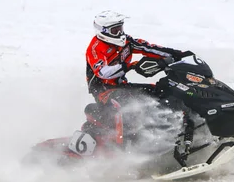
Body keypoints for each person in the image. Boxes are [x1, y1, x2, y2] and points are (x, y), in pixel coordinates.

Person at [80, 11, 193, 149]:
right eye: (115, 30)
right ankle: (126, 147)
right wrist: (129, 66)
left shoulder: (126, 41)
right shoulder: (96, 49)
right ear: (104, 31)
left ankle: (179, 125)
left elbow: (148, 48)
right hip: (104, 92)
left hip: (122, 86)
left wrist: (177, 54)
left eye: (120, 28)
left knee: (159, 90)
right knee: (132, 104)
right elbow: (104, 73)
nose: (120, 33)